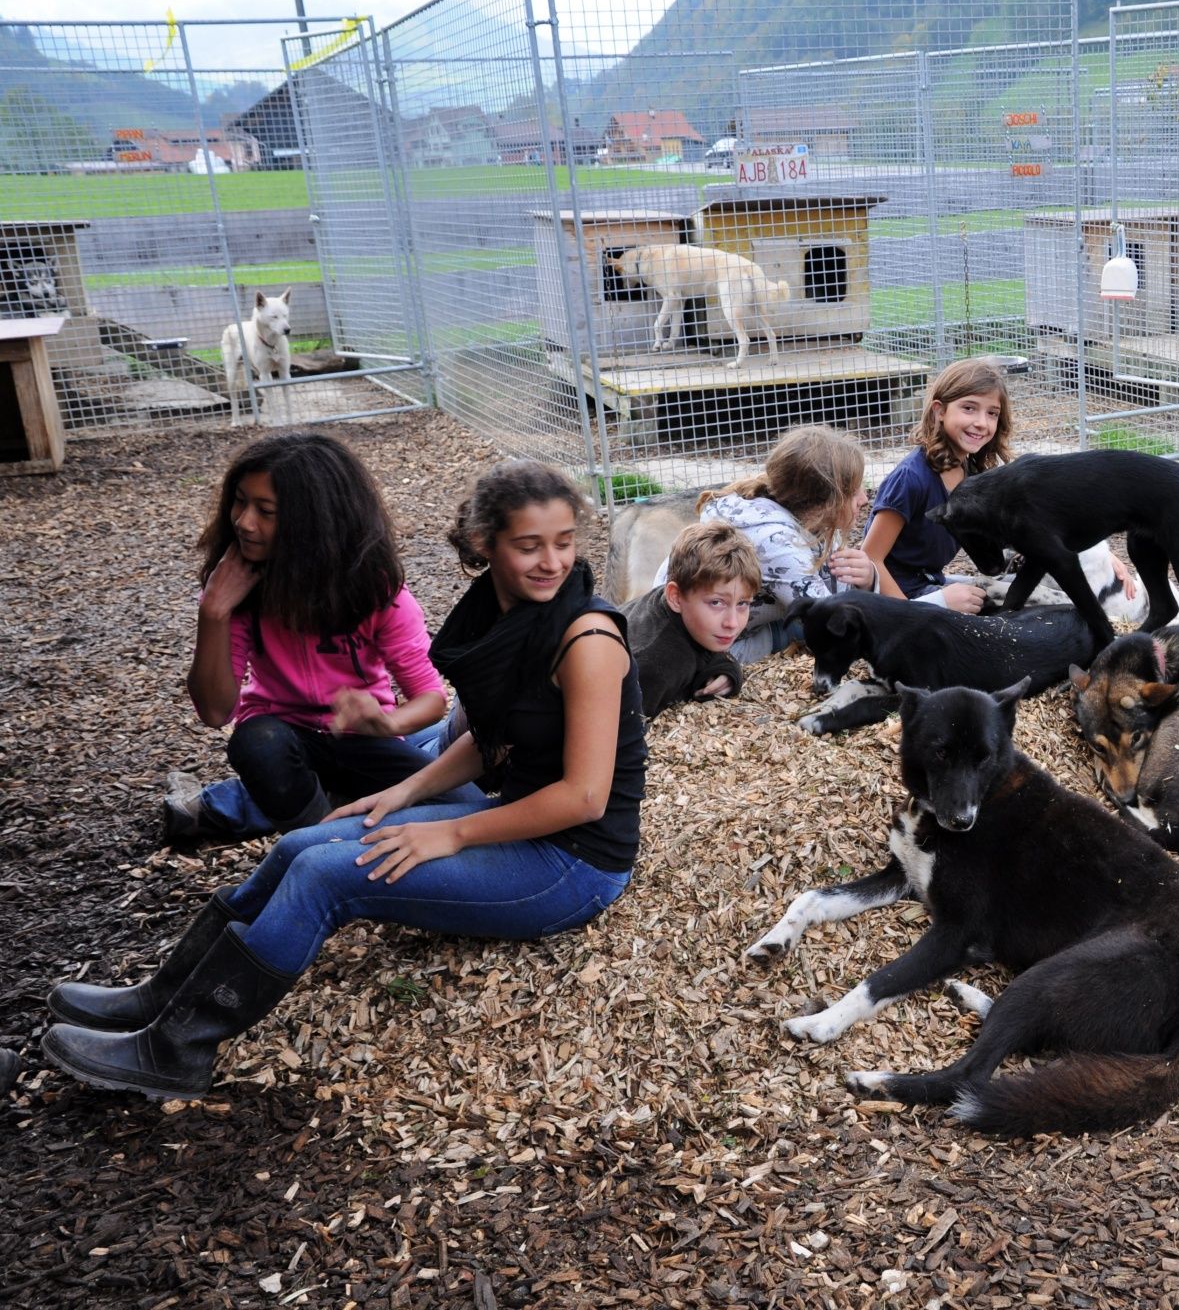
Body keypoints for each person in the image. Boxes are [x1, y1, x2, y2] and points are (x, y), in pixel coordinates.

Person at [44, 462, 647, 1099]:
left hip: (572, 864)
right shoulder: (509, 616)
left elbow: (585, 796)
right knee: (298, 845)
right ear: (483, 544)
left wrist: (452, 834)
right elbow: (498, 733)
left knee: (326, 876)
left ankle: (178, 1050)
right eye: (529, 545)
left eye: (564, 542)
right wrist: (406, 792)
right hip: (521, 825)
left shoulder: (587, 639)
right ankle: (160, 1001)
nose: (552, 561)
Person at [164, 433, 457, 846]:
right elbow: (215, 712)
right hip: (283, 742)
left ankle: (310, 804)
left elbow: (430, 698)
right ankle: (320, 847)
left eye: (265, 510)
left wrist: (386, 722)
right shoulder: (238, 589)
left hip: (364, 744)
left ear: (314, 523)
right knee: (260, 742)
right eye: (240, 501)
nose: (244, 522)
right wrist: (213, 611)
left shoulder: (376, 591)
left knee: (465, 804)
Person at [651, 425, 876, 662]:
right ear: (824, 502)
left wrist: (868, 578)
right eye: (852, 491)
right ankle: (771, 638)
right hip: (687, 641)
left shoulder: (808, 519)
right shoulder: (777, 542)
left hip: (716, 622)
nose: (864, 498)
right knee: (797, 631)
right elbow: (836, 626)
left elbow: (837, 596)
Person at [860, 357, 1015, 613]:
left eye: (992, 413)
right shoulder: (911, 479)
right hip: (897, 599)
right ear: (939, 411)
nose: (981, 422)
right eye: (969, 408)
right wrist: (911, 616)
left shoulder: (971, 473)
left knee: (1027, 594)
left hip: (931, 582)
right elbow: (870, 558)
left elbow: (1001, 547)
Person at [626, 521, 758, 716]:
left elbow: (706, 654)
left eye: (742, 604)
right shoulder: (656, 666)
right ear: (675, 597)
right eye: (716, 603)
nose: (732, 623)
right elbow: (622, 731)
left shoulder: (684, 617)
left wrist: (729, 671)